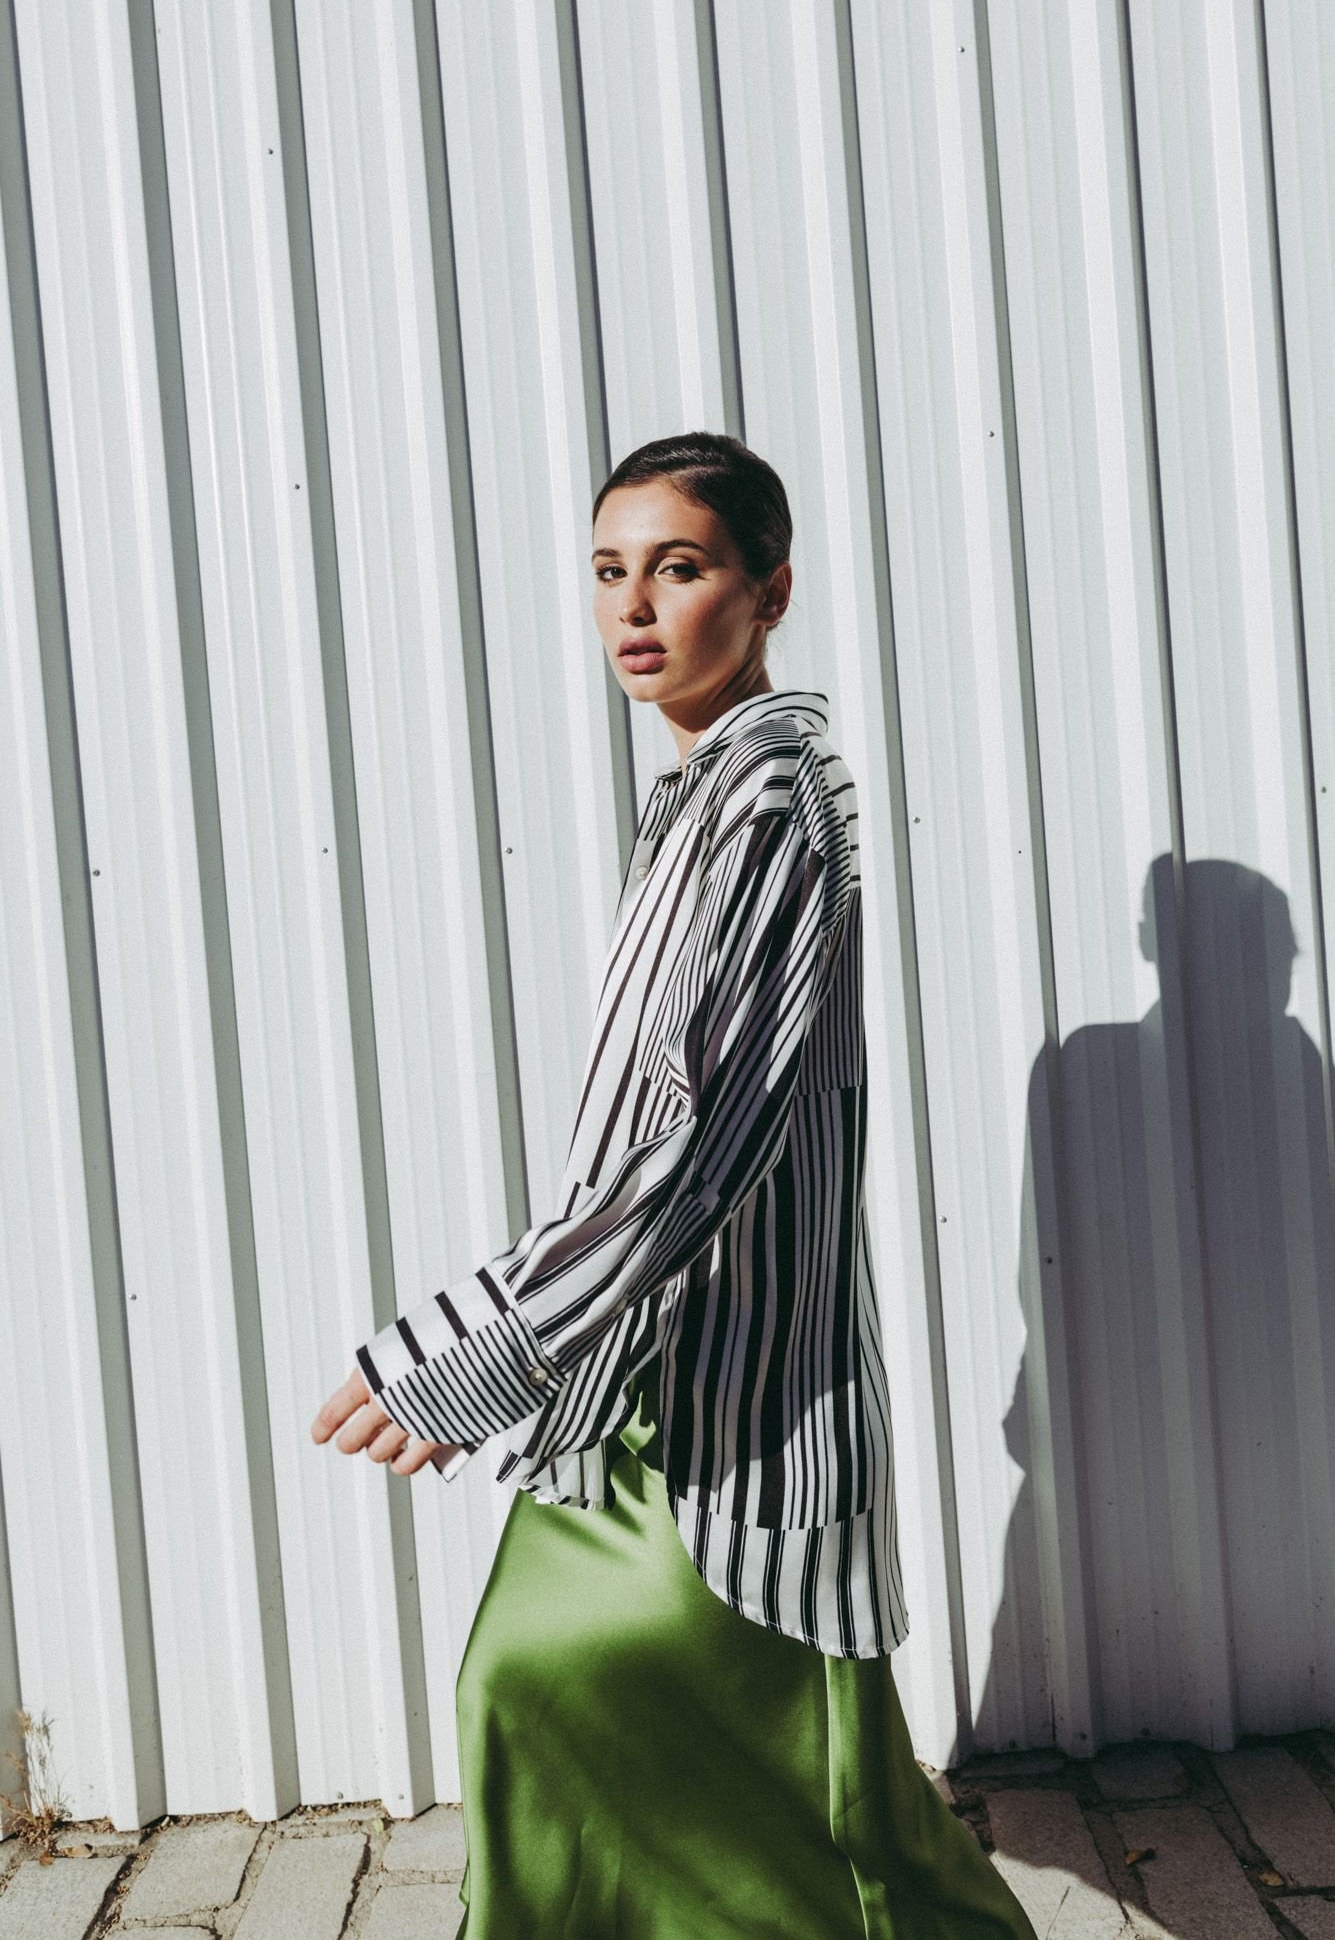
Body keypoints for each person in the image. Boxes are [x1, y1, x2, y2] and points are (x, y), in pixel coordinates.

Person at [312, 432, 1038, 1938]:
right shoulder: (706, 795)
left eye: (680, 567)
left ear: (771, 592)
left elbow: (696, 1154)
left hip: (740, 1410)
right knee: (572, 1710)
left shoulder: (770, 803)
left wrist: (481, 1350)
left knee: (654, 1735)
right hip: (647, 1378)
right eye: (608, 571)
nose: (633, 607)